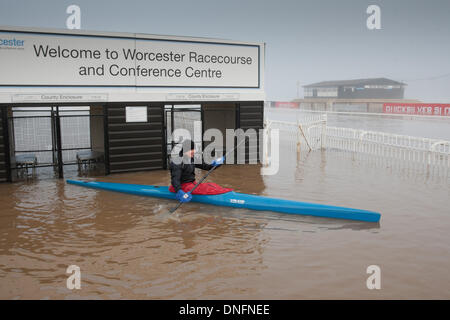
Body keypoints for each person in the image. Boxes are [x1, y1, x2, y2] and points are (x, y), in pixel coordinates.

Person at [169, 139, 228, 203]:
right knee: (209, 189)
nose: (194, 151)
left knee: (212, 185)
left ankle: (227, 192)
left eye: (193, 149)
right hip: (182, 187)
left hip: (192, 185)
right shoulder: (177, 162)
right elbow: (175, 180)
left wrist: (216, 163)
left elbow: (206, 167)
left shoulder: (192, 159)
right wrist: (179, 191)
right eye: (191, 150)